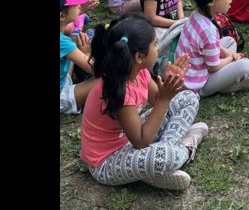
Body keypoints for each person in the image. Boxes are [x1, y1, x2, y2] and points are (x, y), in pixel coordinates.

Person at [80, 14, 208, 191]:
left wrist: (169, 82)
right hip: (106, 162)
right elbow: (141, 141)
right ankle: (182, 149)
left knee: (188, 98)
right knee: (165, 156)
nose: (158, 47)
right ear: (139, 56)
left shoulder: (139, 72)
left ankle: (155, 165)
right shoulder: (118, 90)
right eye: (155, 44)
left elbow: (158, 101)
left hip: (131, 138)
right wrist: (164, 98)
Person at [176, 0, 249, 96]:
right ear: (211, 1)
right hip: (198, 84)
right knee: (245, 66)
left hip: (194, 68)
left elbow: (210, 45)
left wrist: (226, 52)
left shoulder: (197, 15)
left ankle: (224, 81)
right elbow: (213, 67)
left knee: (229, 41)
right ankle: (223, 86)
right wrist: (231, 58)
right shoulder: (208, 30)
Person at [60, 0, 97, 114]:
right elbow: (96, 68)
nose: (79, 6)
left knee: (79, 39)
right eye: (76, 5)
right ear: (61, 16)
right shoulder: (63, 43)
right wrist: (85, 54)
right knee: (108, 79)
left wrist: (79, 12)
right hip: (61, 97)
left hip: (63, 80)